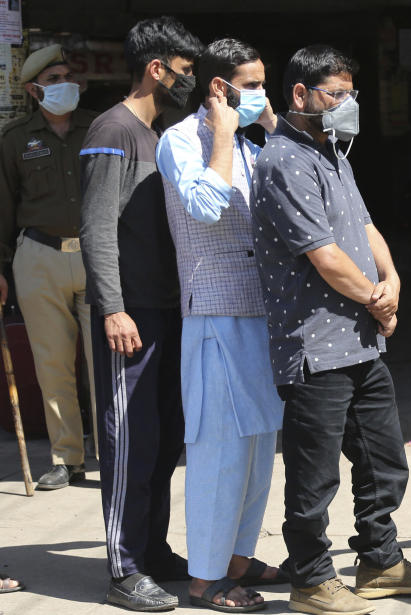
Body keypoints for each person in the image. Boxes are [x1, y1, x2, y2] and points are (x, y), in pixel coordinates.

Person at [251, 44, 411, 615]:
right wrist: (376, 299)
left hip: (361, 340)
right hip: (314, 347)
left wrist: (391, 280)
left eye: (350, 95)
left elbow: (363, 228)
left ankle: (379, 562)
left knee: (383, 459)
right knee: (314, 479)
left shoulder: (333, 153)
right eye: (336, 95)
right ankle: (311, 580)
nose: (346, 105)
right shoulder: (284, 160)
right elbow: (323, 254)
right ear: (300, 95)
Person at [156, 37, 287, 613]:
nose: (261, 94)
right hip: (213, 313)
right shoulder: (180, 141)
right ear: (220, 87)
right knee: (219, 448)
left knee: (259, 446)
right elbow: (205, 206)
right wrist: (227, 136)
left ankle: (236, 557)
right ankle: (206, 577)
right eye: (253, 85)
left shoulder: (257, 145)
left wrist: (273, 131)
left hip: (261, 311)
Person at [79, 16, 203, 612]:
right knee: (129, 441)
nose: (191, 81)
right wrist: (112, 308)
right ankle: (124, 568)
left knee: (164, 438)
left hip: (170, 312)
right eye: (185, 70)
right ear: (157, 68)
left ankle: (152, 550)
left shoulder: (166, 135)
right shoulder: (114, 129)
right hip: (131, 317)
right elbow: (97, 228)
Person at [0, 44, 97, 490]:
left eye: (67, 76)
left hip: (98, 256)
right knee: (52, 364)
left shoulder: (98, 127)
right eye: (54, 79)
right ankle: (67, 458)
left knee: (107, 361)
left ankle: (114, 452)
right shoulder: (16, 139)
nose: (65, 85)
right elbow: (5, 207)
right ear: (35, 90)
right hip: (39, 256)